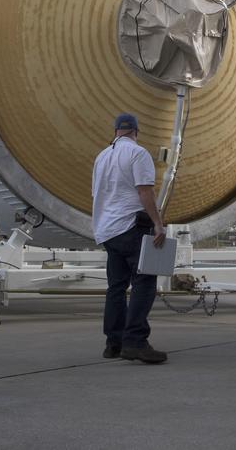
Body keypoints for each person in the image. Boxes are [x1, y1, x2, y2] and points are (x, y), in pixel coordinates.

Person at [91, 112, 168, 365]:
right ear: (136, 131)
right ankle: (135, 342)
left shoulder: (101, 157)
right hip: (130, 227)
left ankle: (113, 343)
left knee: (116, 287)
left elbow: (98, 194)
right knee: (144, 281)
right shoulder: (138, 153)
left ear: (116, 131)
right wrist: (158, 223)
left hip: (107, 230)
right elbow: (144, 190)